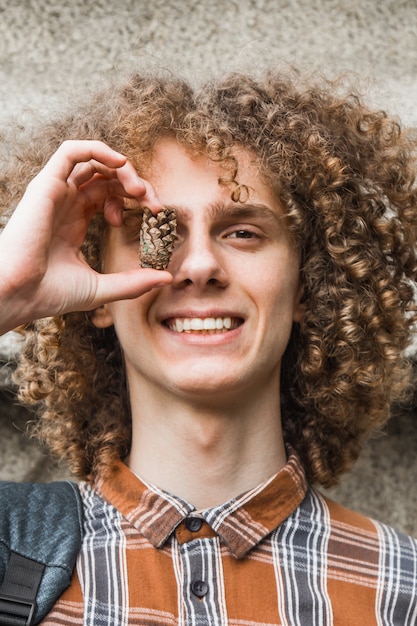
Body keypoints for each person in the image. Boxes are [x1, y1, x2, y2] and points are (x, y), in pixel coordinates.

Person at [1, 68, 417, 625]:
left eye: (243, 232)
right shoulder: (8, 548)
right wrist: (8, 292)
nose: (198, 266)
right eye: (156, 234)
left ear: (306, 286)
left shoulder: (403, 589)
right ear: (94, 292)